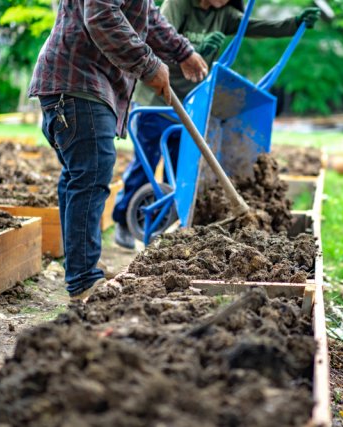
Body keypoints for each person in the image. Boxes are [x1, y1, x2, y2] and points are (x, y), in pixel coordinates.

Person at [29, 0, 208, 301]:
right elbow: (101, 15)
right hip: (78, 83)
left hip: (75, 85)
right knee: (91, 175)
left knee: (79, 178)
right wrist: (149, 65)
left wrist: (183, 52)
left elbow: (146, 14)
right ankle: (84, 280)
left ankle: (81, 272)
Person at [112, 0, 321, 249]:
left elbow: (256, 26)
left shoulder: (224, 14)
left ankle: (169, 225)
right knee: (145, 160)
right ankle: (123, 221)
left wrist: (294, 23)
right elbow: (156, 40)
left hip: (190, 104)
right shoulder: (179, 5)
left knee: (180, 168)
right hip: (155, 97)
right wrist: (193, 49)